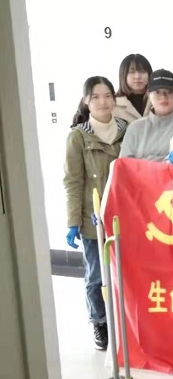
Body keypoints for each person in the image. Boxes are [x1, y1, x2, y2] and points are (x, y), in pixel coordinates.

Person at [63, 76, 128, 351]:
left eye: (108, 95)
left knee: (126, 273)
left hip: (126, 217)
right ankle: (99, 322)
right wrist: (73, 222)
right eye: (96, 97)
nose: (103, 101)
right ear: (86, 102)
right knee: (96, 276)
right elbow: (73, 181)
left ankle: (126, 321)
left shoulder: (126, 129)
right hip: (93, 220)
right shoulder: (78, 136)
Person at [119, 69, 173, 161]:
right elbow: (123, 165)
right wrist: (165, 161)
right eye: (157, 92)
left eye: (169, 92)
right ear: (149, 95)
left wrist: (146, 160)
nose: (163, 97)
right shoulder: (135, 128)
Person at [113, 54, 153, 123]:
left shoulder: (159, 100)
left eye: (142, 71)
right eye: (131, 72)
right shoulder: (113, 104)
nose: (137, 76)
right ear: (123, 75)